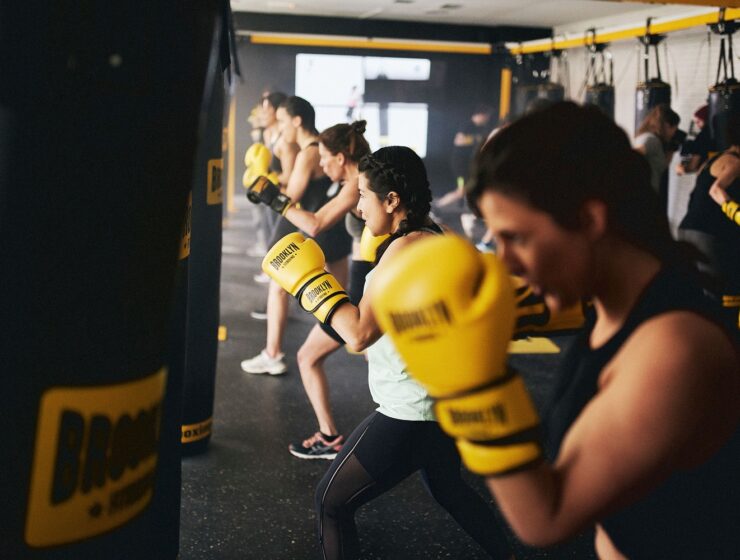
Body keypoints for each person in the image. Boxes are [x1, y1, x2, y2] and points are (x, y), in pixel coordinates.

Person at [371, 102, 740, 558]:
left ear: (589, 220)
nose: (504, 263)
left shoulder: (673, 348)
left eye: (517, 238)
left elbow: (545, 517)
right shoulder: (612, 308)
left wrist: (472, 384)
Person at [262, 146, 512, 560]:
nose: (358, 207)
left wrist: (310, 283)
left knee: (330, 501)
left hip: (411, 410)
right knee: (450, 491)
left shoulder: (400, 250)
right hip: (440, 403)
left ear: (392, 200)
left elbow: (358, 335)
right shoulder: (437, 234)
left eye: (363, 195)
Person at [250, 119, 374, 459]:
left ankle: (329, 436)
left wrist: (277, 200)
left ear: (341, 157)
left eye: (324, 158)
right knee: (370, 352)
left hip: (372, 281)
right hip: (366, 276)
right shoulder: (354, 179)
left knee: (308, 357)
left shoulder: (359, 182)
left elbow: (316, 224)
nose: (320, 164)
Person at [241, 96, 352, 375]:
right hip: (333, 228)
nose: (280, 127)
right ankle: (363, 349)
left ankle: (274, 353)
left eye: (282, 121)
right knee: (342, 300)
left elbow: (292, 196)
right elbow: (293, 183)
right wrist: (270, 178)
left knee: (278, 285)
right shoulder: (316, 150)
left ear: (297, 120)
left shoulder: (308, 151)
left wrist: (265, 185)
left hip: (315, 226)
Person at [678, 110, 740, 315]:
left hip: (688, 228)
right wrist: (735, 212)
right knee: (717, 293)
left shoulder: (717, 159)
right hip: (706, 233)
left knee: (700, 293)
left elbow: (697, 188)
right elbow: (716, 191)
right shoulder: (735, 162)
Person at [633, 103, 681, 196]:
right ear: (667, 126)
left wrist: (672, 149)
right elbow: (630, 157)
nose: (674, 133)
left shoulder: (648, 138)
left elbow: (661, 166)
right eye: (675, 128)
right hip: (642, 196)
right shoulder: (651, 140)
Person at [676, 104, 713, 175]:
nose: (697, 125)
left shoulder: (703, 136)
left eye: (699, 121)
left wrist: (682, 168)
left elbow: (693, 166)